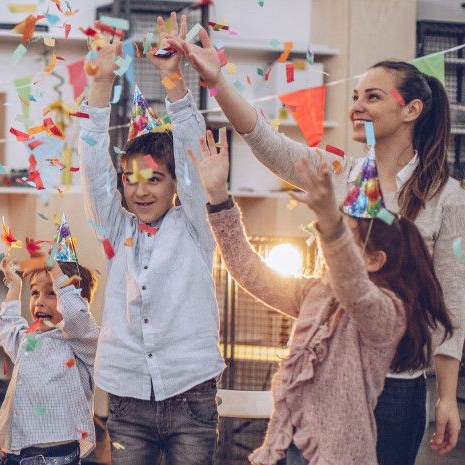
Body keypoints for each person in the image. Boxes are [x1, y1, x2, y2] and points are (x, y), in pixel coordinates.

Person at [169, 26, 465, 459]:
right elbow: (264, 140)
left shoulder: (447, 196)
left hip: (396, 388)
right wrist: (217, 81)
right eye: (356, 96)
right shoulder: (338, 173)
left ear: (412, 110)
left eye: (373, 97)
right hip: (328, 375)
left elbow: (451, 302)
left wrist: (446, 397)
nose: (357, 106)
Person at [189, 129, 452, 464]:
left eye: (344, 237)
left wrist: (330, 221)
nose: (326, 245)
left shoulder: (387, 313)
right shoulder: (317, 294)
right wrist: (218, 197)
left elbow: (355, 288)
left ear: (374, 259)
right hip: (297, 438)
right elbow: (249, 271)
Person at [79, 13, 224, 464]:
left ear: (176, 183)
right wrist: (101, 85)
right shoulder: (117, 227)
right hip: (126, 396)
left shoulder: (195, 224)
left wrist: (172, 77)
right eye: (131, 180)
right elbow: (94, 168)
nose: (141, 191)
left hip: (190, 392)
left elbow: (192, 152)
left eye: (155, 179)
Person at [0, 251, 100, 465]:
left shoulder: (83, 342)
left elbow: (75, 315)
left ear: (80, 303)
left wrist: (54, 269)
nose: (39, 302)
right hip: (12, 455)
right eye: (34, 293)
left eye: (51, 293)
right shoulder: (28, 340)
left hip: (57, 457)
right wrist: (15, 286)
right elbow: (8, 327)